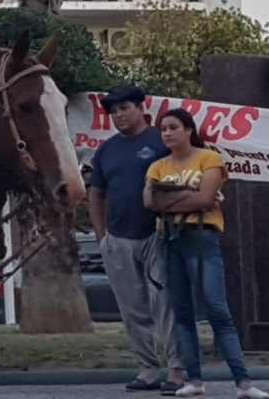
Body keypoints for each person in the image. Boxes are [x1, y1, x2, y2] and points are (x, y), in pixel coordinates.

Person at [145, 109, 269, 399]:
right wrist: (191, 196)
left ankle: (243, 383)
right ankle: (195, 380)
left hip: (201, 237)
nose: (167, 133)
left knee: (217, 309)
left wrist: (173, 198)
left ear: (188, 130)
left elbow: (205, 198)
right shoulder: (157, 166)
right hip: (169, 240)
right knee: (183, 313)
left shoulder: (208, 158)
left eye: (173, 127)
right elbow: (150, 202)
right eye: (163, 129)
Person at [89, 85, 183, 393]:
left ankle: (176, 369)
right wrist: (101, 235)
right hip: (118, 238)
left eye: (124, 108)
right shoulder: (106, 150)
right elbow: (96, 194)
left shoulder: (161, 139)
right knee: (132, 308)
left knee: (165, 303)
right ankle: (147, 370)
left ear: (141, 108)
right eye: (113, 112)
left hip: (159, 234)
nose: (119, 116)